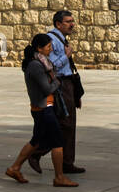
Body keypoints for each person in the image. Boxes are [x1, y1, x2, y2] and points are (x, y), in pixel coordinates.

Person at [6, 34, 78, 187]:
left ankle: (14, 168)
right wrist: (57, 82)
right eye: (48, 47)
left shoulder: (41, 63)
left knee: (36, 141)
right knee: (58, 142)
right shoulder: (36, 66)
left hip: (42, 108)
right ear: (39, 48)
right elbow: (46, 89)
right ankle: (59, 177)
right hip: (44, 108)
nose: (50, 50)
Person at [27, 10, 84, 174]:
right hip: (60, 84)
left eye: (72, 21)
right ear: (58, 24)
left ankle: (66, 161)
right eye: (68, 21)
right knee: (65, 124)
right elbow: (49, 65)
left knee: (67, 124)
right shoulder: (52, 39)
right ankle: (38, 153)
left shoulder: (60, 38)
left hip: (67, 84)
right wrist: (66, 56)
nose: (72, 24)